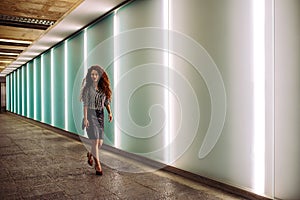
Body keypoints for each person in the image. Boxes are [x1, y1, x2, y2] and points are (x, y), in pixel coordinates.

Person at [80, 65, 113, 176]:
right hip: (90, 114)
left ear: (99, 76)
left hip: (100, 115)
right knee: (95, 141)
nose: (94, 76)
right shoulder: (88, 89)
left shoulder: (103, 88)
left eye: (96, 74)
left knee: (99, 143)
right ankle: (98, 165)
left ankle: (90, 154)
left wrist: (110, 113)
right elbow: (85, 105)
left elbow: (106, 102)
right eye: (92, 74)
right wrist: (85, 118)